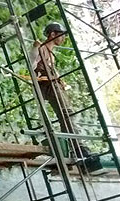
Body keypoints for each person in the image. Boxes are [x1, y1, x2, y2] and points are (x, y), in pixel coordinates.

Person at [28, 22, 86, 158]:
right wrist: (35, 48)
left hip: (53, 84)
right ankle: (79, 148)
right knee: (67, 114)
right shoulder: (41, 49)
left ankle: (73, 147)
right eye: (61, 35)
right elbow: (31, 64)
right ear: (53, 34)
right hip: (48, 85)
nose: (63, 38)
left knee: (65, 115)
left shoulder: (50, 53)